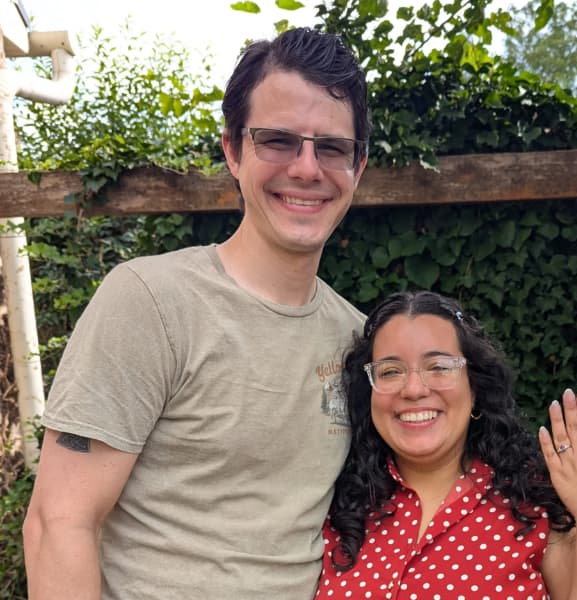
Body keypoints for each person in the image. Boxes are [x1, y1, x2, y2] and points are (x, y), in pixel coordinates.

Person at [23, 27, 369, 600]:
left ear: (358, 166)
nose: (307, 169)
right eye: (278, 141)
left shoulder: (356, 337)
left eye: (331, 147)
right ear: (233, 150)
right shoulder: (150, 302)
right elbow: (58, 524)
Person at [316, 290, 577, 599]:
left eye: (439, 367)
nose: (413, 388)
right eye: (390, 371)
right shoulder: (335, 509)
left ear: (475, 388)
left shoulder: (535, 507)